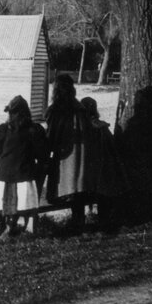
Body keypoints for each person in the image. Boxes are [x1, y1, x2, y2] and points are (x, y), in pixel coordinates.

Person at [0, 95, 49, 237]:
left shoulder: (1, 130)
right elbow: (42, 154)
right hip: (24, 174)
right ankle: (17, 227)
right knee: (24, 203)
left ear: (10, 113)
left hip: (3, 173)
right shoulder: (34, 130)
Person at [44, 74, 93, 230]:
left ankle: (75, 222)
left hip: (65, 154)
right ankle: (79, 219)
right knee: (78, 187)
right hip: (82, 153)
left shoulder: (55, 110)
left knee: (66, 185)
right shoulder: (80, 108)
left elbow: (51, 135)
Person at [80, 96, 128, 227]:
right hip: (104, 169)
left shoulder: (83, 128)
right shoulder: (102, 128)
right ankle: (104, 219)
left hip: (91, 171)